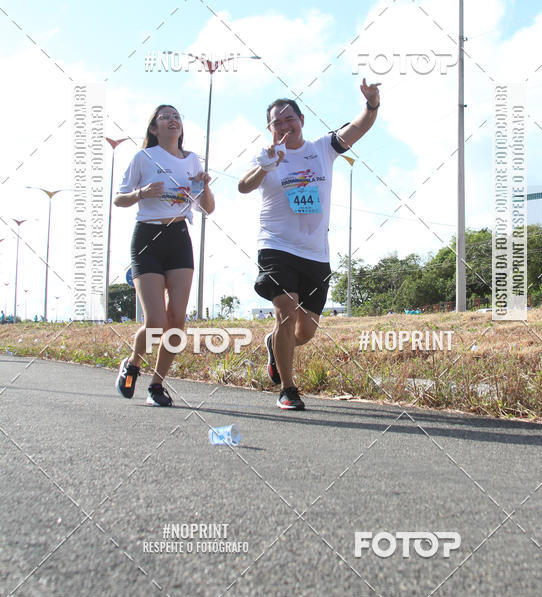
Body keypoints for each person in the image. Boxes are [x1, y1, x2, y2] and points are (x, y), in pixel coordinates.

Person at [238, 78, 380, 410]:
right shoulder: (267, 155)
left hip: (316, 253)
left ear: (302, 120)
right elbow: (244, 186)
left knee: (306, 332)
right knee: (286, 310)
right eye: (278, 122)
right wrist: (266, 164)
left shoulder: (322, 148)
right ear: (270, 128)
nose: (285, 125)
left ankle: (274, 346)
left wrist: (371, 104)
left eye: (290, 118)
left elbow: (359, 128)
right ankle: (288, 389)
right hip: (276, 247)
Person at [113, 104, 214, 406]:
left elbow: (206, 207)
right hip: (147, 238)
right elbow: (119, 198)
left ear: (181, 128)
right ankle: (133, 363)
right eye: (164, 117)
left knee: (177, 321)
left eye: (177, 117)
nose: (172, 120)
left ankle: (157, 385)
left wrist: (205, 186)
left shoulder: (193, 160)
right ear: (154, 129)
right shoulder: (143, 158)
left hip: (179, 237)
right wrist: (142, 193)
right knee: (155, 321)